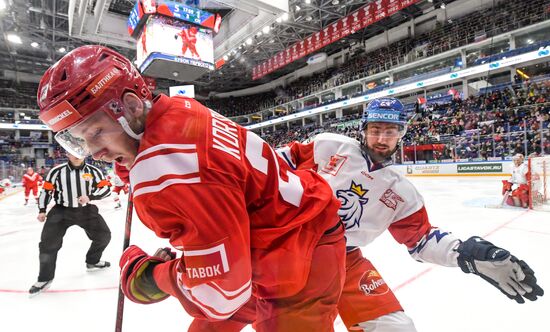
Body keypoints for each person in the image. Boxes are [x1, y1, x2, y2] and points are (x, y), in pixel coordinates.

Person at [36, 45, 345, 331]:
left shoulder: (166, 171)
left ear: (130, 106)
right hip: (266, 237)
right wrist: (130, 156)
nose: (94, 152)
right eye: (80, 139)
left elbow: (221, 295)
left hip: (301, 249)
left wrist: (152, 277)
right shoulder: (176, 107)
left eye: (96, 133)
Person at [275, 97, 543, 331]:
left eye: (390, 132)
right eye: (375, 130)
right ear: (363, 129)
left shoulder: (402, 192)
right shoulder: (329, 146)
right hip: (294, 251)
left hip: (346, 261)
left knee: (397, 328)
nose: (381, 139)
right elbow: (272, 165)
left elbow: (422, 239)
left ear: (401, 134)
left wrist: (468, 254)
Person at [29, 152, 113, 296]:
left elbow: (106, 189)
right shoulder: (56, 171)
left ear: (85, 154)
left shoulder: (94, 171)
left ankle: (92, 261)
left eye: (80, 152)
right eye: (73, 152)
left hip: (85, 210)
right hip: (61, 212)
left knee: (104, 235)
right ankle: (44, 278)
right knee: (48, 243)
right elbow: (46, 191)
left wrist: (90, 196)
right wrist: (42, 210)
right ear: (67, 154)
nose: (77, 155)